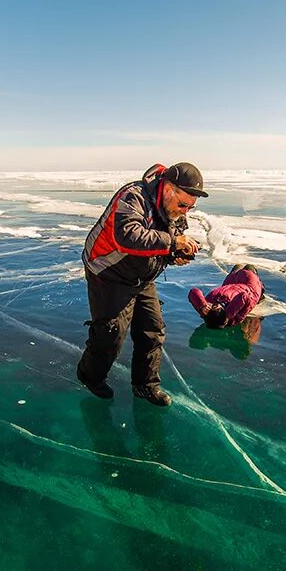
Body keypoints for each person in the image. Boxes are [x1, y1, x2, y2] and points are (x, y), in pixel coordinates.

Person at [76, 162, 206, 406]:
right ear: (168, 189)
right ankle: (89, 376)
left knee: (152, 330)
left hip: (141, 276)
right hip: (108, 272)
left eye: (191, 207)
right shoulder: (133, 196)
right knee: (111, 335)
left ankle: (145, 385)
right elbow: (128, 236)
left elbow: (168, 242)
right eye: (183, 205)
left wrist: (173, 256)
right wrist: (173, 244)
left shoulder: (173, 211)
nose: (185, 212)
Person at [188, 263, 265, 329]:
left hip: (230, 283)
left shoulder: (208, 311)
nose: (215, 304)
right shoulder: (235, 317)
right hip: (249, 287)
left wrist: (202, 305)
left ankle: (240, 272)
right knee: (249, 267)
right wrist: (228, 314)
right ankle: (261, 289)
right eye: (217, 308)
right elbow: (244, 296)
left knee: (237, 267)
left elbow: (193, 291)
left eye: (212, 307)